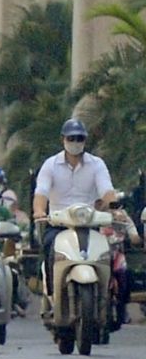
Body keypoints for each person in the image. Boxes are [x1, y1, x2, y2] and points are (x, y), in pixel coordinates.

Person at [32, 118, 115, 311]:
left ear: (85, 141)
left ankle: (106, 298)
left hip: (89, 224)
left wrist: (114, 207)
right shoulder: (50, 165)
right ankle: (53, 293)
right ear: (63, 139)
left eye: (80, 138)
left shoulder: (97, 165)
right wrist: (39, 212)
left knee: (105, 254)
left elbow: (106, 190)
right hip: (58, 225)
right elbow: (41, 193)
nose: (76, 142)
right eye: (72, 138)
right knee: (49, 247)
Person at [103, 190, 141, 325]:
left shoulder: (123, 217)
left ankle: (121, 310)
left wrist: (137, 238)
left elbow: (134, 236)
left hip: (117, 254)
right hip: (98, 255)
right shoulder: (94, 216)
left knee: (124, 278)